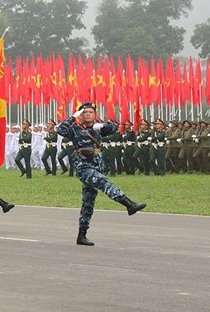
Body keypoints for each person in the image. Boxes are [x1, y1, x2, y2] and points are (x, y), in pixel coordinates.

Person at [56, 103, 147, 246]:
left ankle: (82, 235)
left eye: (90, 112)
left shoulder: (97, 128)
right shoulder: (75, 129)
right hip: (83, 166)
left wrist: (102, 126)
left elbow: (114, 128)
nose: (88, 114)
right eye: (84, 112)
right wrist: (74, 116)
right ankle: (128, 204)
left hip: (97, 164)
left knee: (88, 203)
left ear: (95, 114)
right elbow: (60, 130)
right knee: (104, 182)